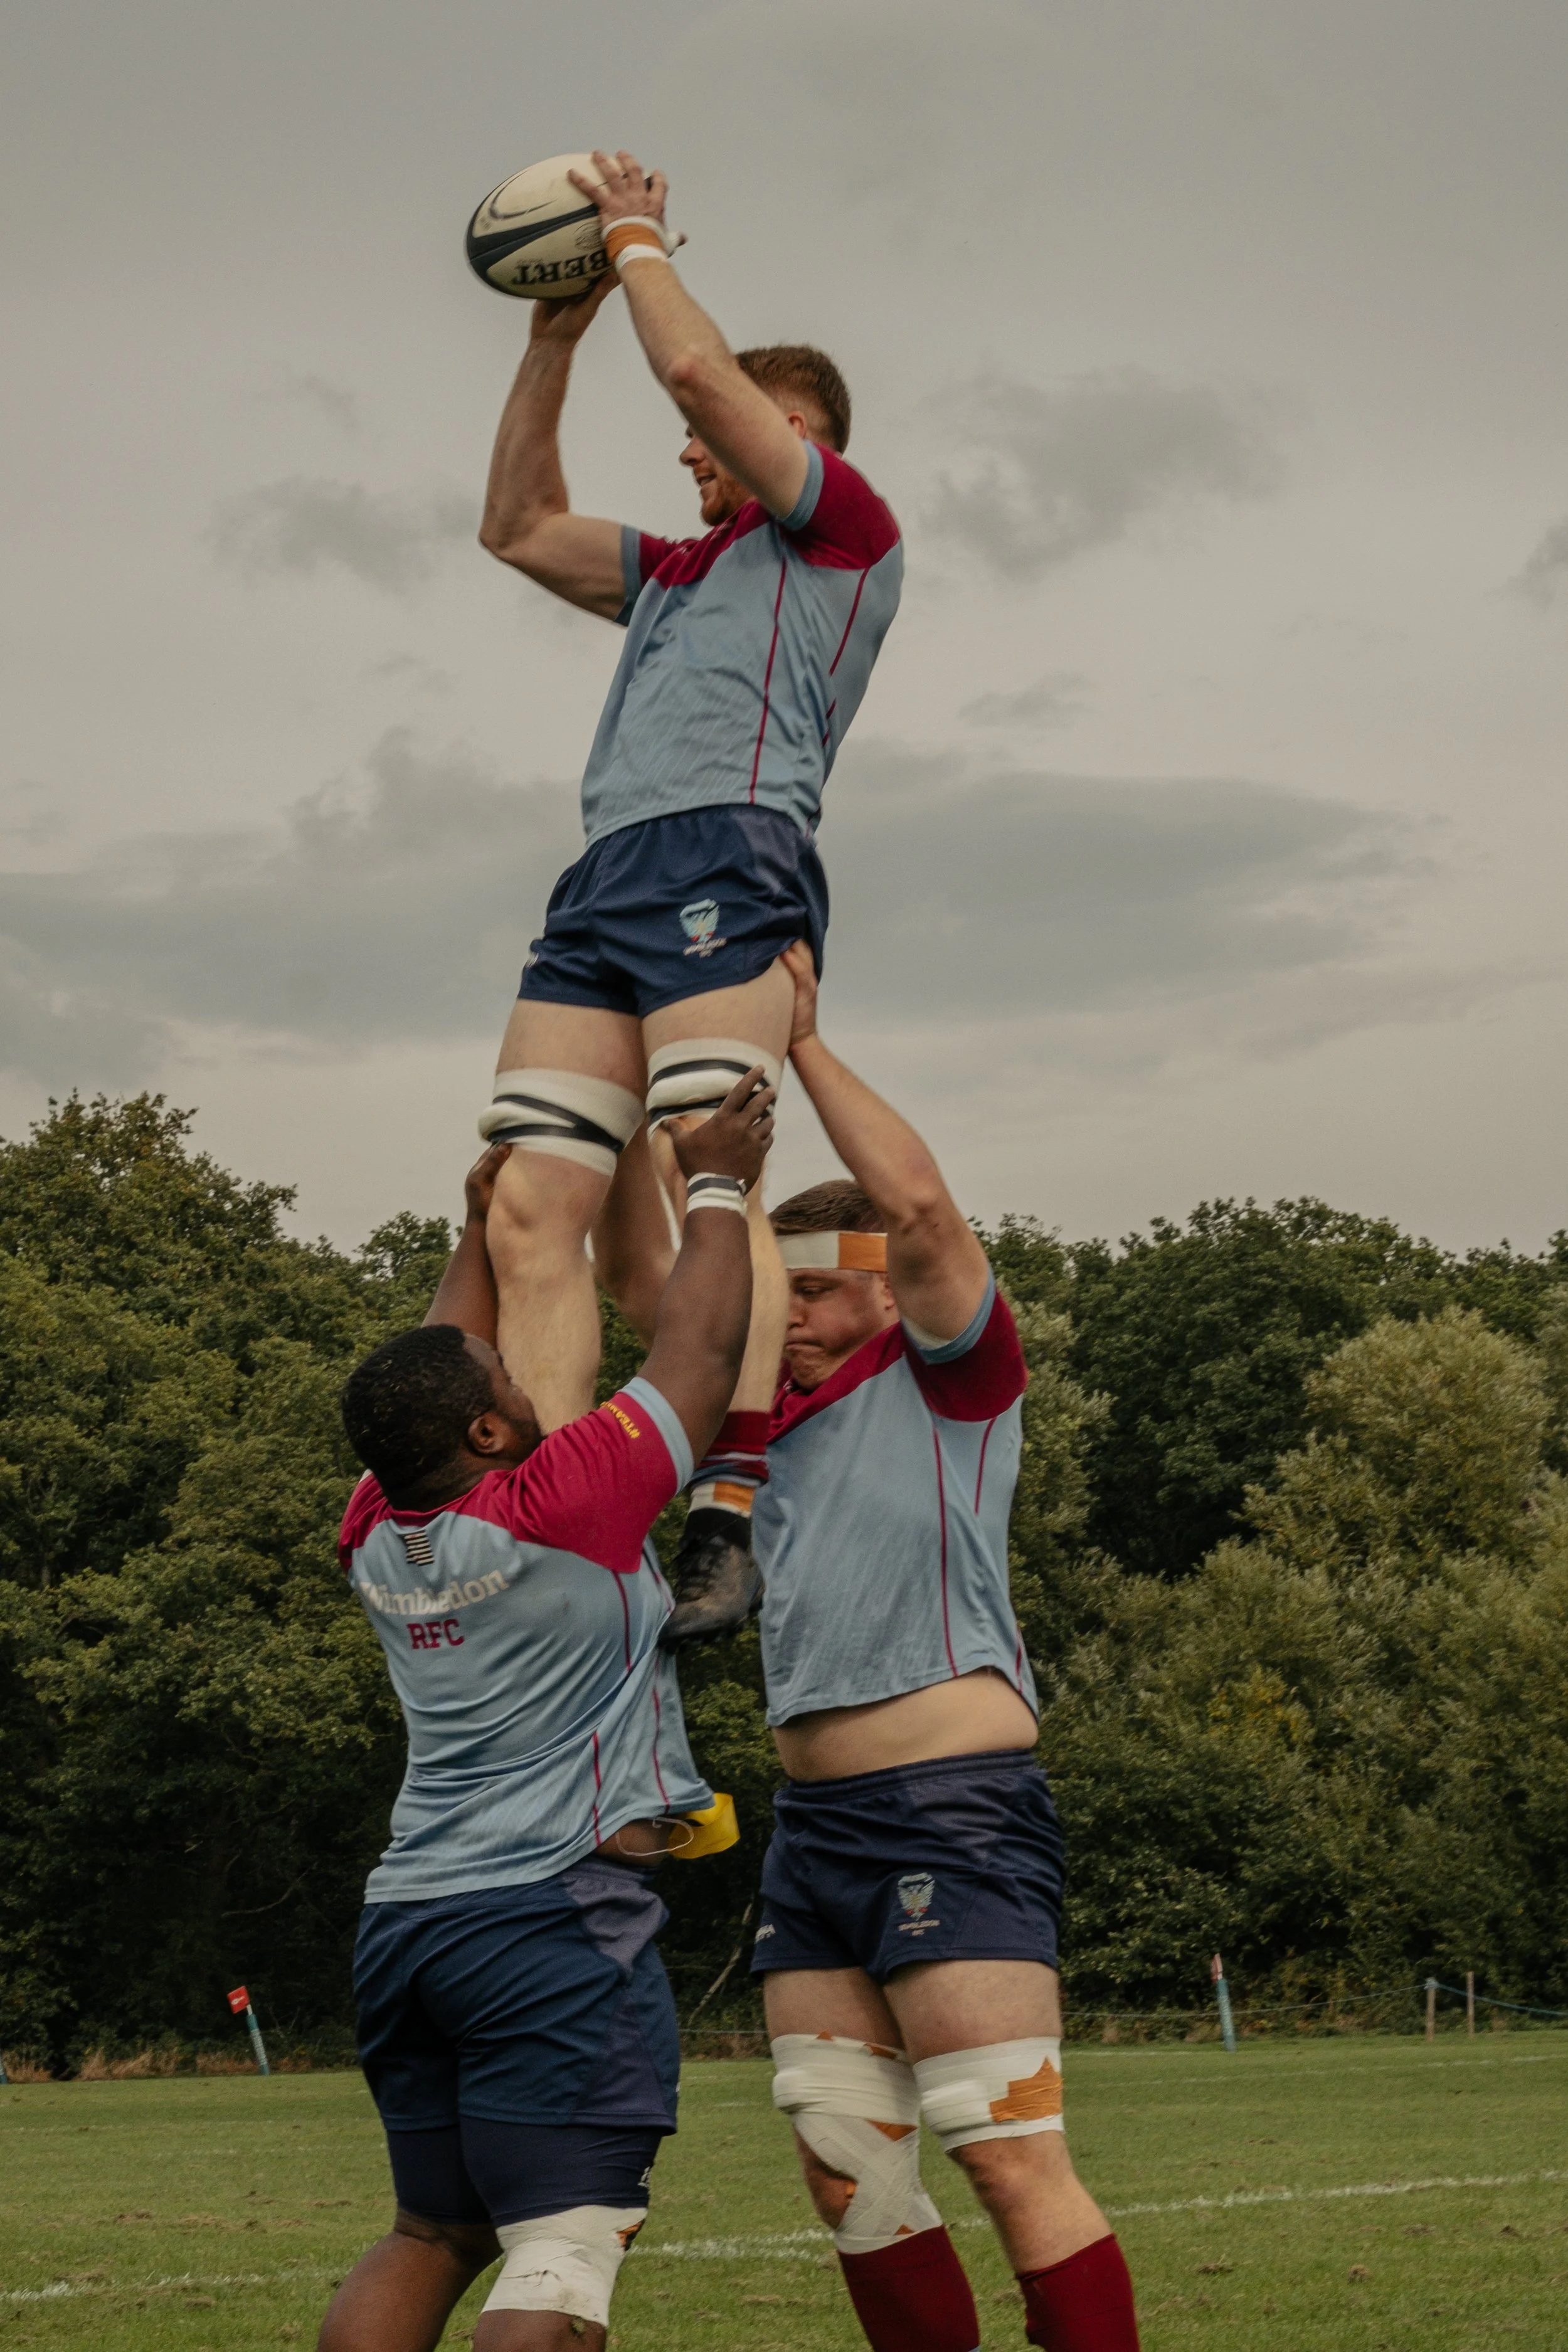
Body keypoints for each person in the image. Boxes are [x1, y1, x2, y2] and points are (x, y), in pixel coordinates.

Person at [473, 149, 903, 1544]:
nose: (685, 452)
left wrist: (635, 244)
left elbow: (698, 384)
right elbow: (516, 526)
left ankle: (726, 1494)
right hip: (604, 875)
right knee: (531, 1205)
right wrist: (554, 334)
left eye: (714, 436)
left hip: (733, 852)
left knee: (700, 1162)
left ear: (788, 425)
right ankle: (554, 1518)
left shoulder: (839, 527)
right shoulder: (671, 572)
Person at [317, 1069, 773, 2352]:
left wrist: (479, 1232)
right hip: (547, 1923)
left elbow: (419, 1379)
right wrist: (721, 1179)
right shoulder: (558, 1499)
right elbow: (693, 1352)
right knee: (565, 2249)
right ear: (484, 1427)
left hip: (409, 1921)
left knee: (431, 2233)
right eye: (503, 1381)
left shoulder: (375, 1528)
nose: (523, 1379)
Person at [741, 943, 1142, 2352]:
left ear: (873, 1287)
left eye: (808, 1286)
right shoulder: (760, 1426)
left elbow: (911, 1206)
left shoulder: (949, 1378)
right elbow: (649, 1273)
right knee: (843, 2162)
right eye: (769, 1289)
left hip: (947, 1812)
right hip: (815, 1829)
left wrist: (795, 1045)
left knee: (997, 2145)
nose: (783, 1310)